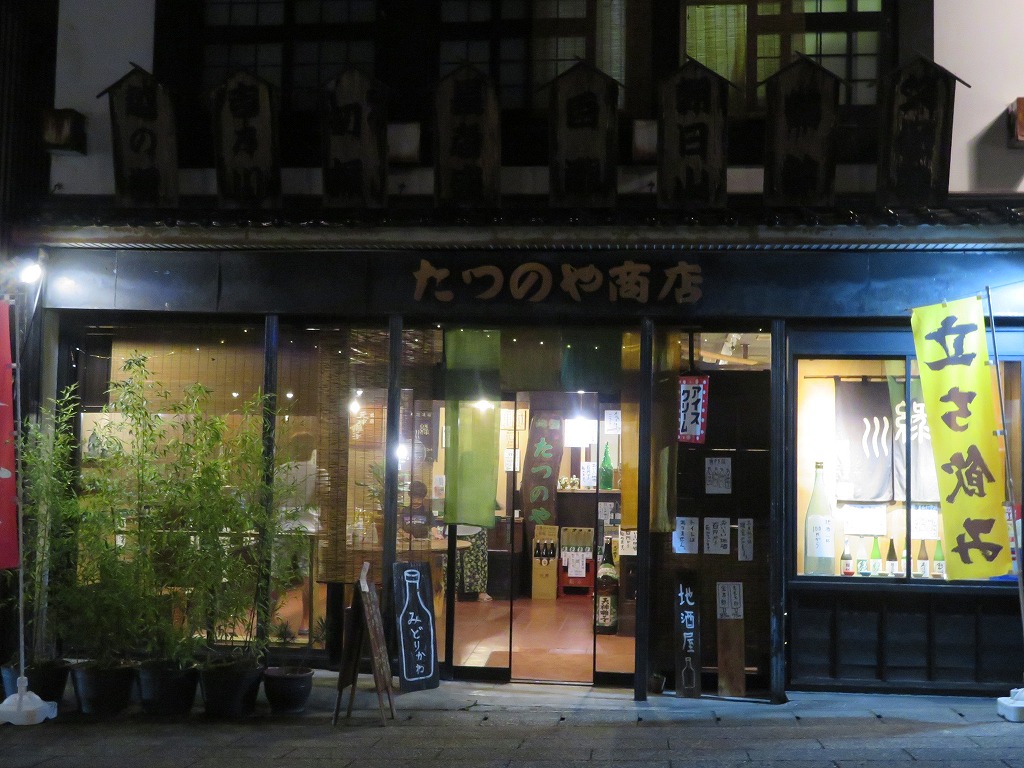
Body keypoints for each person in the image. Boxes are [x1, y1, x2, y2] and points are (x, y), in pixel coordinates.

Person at [276, 431, 329, 635]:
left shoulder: (280, 471)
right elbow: (325, 499)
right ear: (312, 449)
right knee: (308, 576)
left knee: (275, 574)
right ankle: (305, 623)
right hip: (308, 528)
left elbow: (273, 499)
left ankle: (267, 619)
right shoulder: (319, 473)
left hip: (282, 527)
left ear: (291, 449)